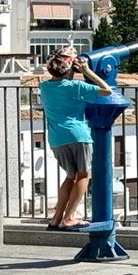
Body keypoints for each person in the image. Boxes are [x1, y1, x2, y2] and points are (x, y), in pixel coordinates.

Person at [38, 47, 113, 230]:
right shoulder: (76, 87)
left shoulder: (44, 87)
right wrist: (87, 71)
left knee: (70, 176)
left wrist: (69, 66)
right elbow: (107, 90)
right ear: (70, 67)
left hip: (57, 139)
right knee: (83, 175)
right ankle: (69, 217)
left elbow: (63, 83)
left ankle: (56, 219)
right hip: (78, 136)